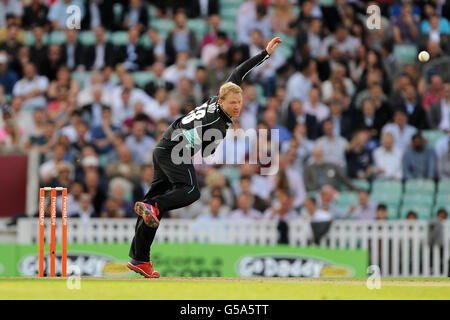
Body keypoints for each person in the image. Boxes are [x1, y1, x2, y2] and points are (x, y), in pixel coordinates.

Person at [127, 37, 283, 278]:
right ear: (222, 102)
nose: (237, 107)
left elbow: (238, 71)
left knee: (152, 206)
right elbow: (206, 152)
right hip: (174, 151)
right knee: (191, 192)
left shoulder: (216, 100)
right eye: (233, 103)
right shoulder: (218, 124)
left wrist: (265, 53)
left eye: (240, 103)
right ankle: (154, 208)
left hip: (163, 148)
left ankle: (140, 259)